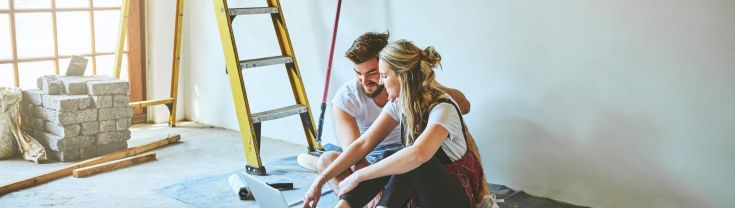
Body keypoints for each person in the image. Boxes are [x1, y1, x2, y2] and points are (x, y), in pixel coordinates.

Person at [304, 40, 496, 208]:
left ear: (403, 76)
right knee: (391, 155)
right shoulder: (398, 104)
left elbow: (419, 154)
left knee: (414, 159)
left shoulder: (442, 108)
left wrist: (358, 176)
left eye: (384, 76)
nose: (380, 81)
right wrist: (320, 180)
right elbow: (363, 144)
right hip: (419, 193)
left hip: (455, 197)